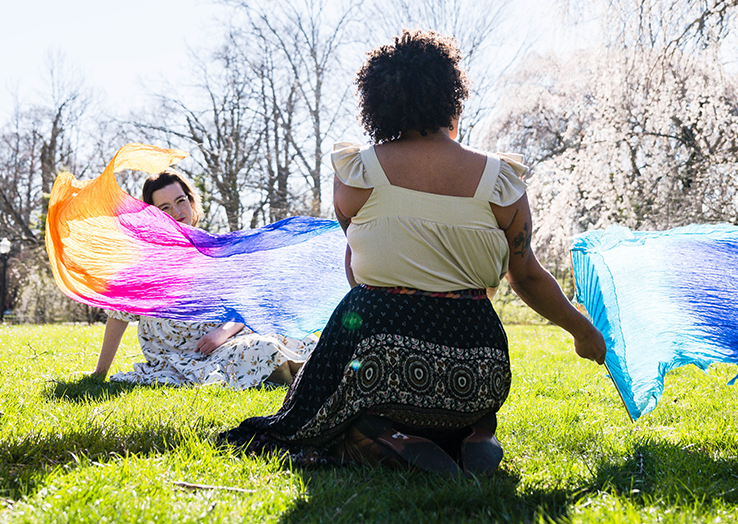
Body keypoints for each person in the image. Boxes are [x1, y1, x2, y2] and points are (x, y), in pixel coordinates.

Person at [221, 29, 605, 475]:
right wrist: (583, 331)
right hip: (478, 365)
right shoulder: (502, 182)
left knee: (325, 399)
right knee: (457, 390)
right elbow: (527, 277)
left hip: (387, 361)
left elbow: (357, 269)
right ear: (452, 98)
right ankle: (476, 431)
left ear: (379, 103)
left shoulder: (356, 175)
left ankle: (387, 435)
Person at [92, 170, 315, 389]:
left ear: (191, 202)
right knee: (265, 349)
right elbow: (117, 317)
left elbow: (246, 305)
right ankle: (293, 383)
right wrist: (99, 372)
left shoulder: (214, 249)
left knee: (305, 342)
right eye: (165, 208)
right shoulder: (144, 262)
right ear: (154, 216)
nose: (177, 211)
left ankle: (312, 380)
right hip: (190, 358)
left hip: (229, 338)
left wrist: (223, 332)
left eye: (181, 201)